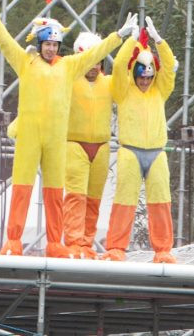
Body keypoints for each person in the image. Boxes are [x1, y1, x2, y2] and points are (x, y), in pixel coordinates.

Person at [0, 0, 137, 258]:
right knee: (22, 189)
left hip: (55, 140)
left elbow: (94, 55)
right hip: (29, 136)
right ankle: (13, 241)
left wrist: (119, 36)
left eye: (54, 44)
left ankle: (55, 243)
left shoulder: (68, 65)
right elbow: (5, 42)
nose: (51, 48)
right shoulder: (26, 61)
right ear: (40, 44)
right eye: (47, 44)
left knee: (54, 193)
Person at [102, 17, 177, 263]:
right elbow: (121, 63)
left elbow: (168, 66)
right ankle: (115, 247)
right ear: (134, 75)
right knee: (124, 200)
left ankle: (163, 250)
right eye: (141, 77)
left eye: (148, 77)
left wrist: (159, 41)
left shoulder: (160, 89)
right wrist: (131, 40)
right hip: (130, 151)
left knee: (160, 201)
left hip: (157, 152)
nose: (145, 81)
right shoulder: (123, 91)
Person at [63, 32, 114, 259]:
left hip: (101, 146)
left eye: (98, 61)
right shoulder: (69, 79)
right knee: (75, 197)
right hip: (74, 144)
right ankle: (73, 242)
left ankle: (86, 244)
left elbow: (135, 78)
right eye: (89, 61)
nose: (93, 67)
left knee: (94, 200)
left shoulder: (109, 83)